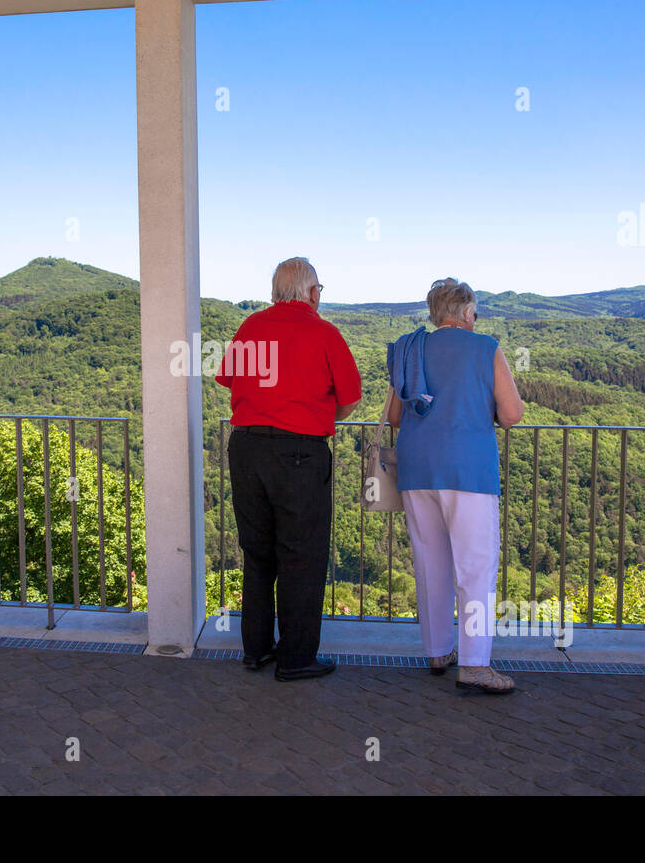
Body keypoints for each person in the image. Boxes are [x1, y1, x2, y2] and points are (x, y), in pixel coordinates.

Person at [216, 258, 362, 681]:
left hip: (246, 449)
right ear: (312, 292)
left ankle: (255, 650)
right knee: (302, 556)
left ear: (276, 291)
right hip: (299, 453)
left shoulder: (250, 328)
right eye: (320, 290)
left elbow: (229, 380)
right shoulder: (324, 332)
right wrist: (322, 416)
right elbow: (350, 396)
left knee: (258, 553)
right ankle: (296, 658)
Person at [387, 278, 524, 694]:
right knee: (476, 568)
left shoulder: (411, 348)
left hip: (417, 469)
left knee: (431, 563)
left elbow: (395, 417)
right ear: (467, 314)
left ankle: (437, 650)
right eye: (475, 312)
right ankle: (476, 664)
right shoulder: (486, 348)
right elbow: (513, 414)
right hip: (469, 472)